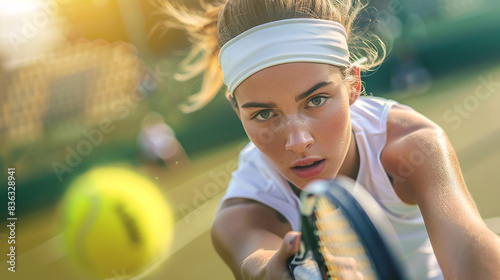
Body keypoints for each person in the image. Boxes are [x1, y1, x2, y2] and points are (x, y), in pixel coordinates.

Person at [160, 0, 500, 279]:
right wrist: (278, 269)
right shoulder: (243, 209)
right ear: (237, 111)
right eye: (264, 114)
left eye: (317, 100)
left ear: (352, 86)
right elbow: (256, 261)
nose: (297, 140)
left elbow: (470, 252)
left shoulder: (412, 145)